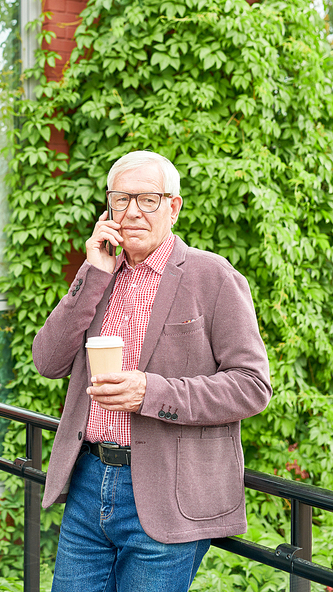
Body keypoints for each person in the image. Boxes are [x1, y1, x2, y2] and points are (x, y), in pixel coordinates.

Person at [33, 151, 272, 592]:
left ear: (173, 206)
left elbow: (252, 386)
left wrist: (151, 392)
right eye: (121, 200)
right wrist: (92, 271)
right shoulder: (101, 273)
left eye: (147, 199)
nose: (132, 212)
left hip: (166, 493)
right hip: (88, 485)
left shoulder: (212, 276)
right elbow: (47, 362)